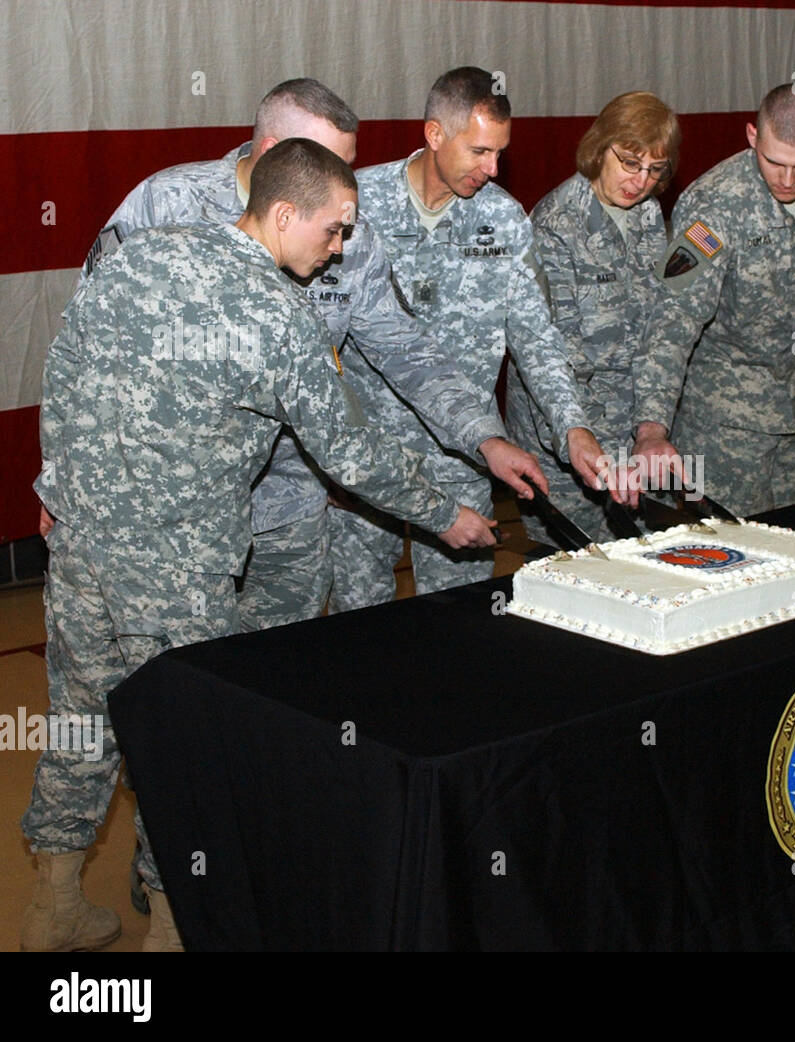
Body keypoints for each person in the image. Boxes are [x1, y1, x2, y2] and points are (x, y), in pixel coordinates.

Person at [23, 140, 496, 952]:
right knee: (188, 750)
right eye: (335, 230)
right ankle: (179, 931)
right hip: (182, 567)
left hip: (82, 546)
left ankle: (53, 909)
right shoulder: (278, 314)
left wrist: (55, 488)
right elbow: (348, 451)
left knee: (79, 723)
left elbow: (63, 372)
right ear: (284, 216)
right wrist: (443, 513)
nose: (340, 247)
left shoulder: (141, 257)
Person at [82, 78, 543, 625]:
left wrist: (482, 435)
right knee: (170, 682)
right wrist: (62, 478)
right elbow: (88, 343)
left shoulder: (350, 235)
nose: (346, 184)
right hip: (169, 510)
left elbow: (406, 349)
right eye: (330, 163)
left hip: (289, 507)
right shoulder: (168, 204)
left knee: (282, 675)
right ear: (279, 154)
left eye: (350, 164)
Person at [356, 67, 609, 591]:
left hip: (464, 454)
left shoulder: (504, 221)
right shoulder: (357, 206)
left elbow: (536, 340)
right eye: (479, 152)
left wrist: (572, 426)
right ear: (434, 135)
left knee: (461, 625)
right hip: (368, 456)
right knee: (361, 627)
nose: (493, 169)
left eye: (500, 152)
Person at [631, 83, 795, 518]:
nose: (787, 179)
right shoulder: (711, 208)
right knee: (729, 558)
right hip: (725, 427)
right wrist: (651, 428)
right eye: (774, 161)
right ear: (751, 137)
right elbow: (671, 319)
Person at [504, 92, 680, 543]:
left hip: (630, 433)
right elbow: (550, 355)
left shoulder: (646, 215)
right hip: (568, 440)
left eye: (654, 170)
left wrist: (649, 427)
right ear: (599, 148)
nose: (640, 182)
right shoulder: (554, 225)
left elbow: (658, 330)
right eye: (628, 163)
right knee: (570, 578)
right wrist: (597, 447)